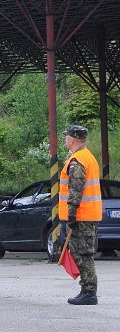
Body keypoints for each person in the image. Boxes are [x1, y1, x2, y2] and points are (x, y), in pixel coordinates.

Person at [60, 124, 102, 305]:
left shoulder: (78, 161)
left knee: (83, 254)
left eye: (66, 137)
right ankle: (87, 290)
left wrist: (71, 216)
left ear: (72, 139)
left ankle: (89, 292)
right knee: (84, 253)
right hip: (88, 215)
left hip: (81, 216)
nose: (65, 140)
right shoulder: (88, 157)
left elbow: (75, 191)